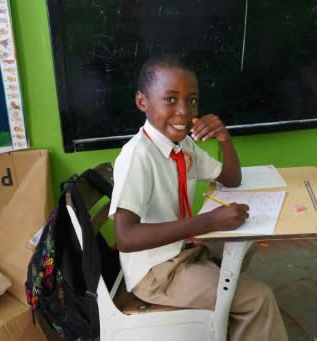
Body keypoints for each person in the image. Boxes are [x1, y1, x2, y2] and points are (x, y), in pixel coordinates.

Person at [108, 54, 288, 340]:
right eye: (170, 99)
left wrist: (224, 138)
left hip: (181, 251)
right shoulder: (137, 156)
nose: (184, 111)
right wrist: (207, 222)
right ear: (143, 102)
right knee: (258, 299)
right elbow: (126, 237)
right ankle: (235, 311)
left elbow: (231, 178)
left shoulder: (184, 145)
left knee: (246, 239)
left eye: (191, 100)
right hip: (156, 272)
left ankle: (225, 316)